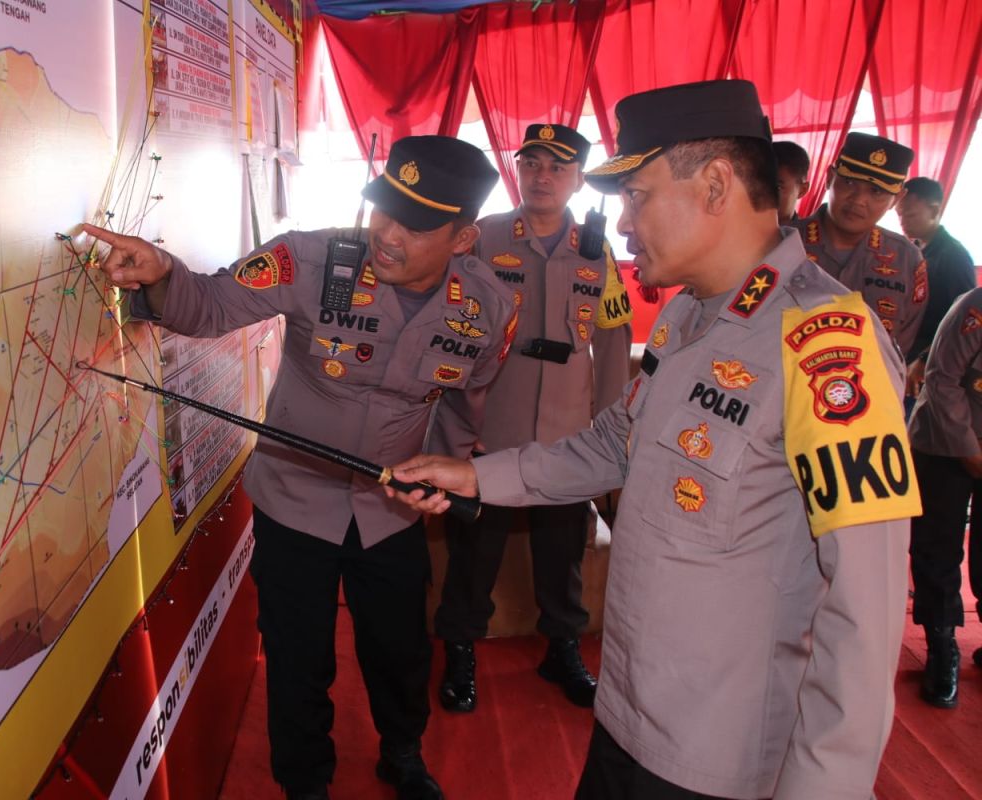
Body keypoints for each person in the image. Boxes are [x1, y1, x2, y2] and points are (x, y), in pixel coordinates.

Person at [386, 80, 920, 799]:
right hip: (628, 718)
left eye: (637, 195)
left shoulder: (829, 342)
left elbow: (866, 610)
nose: (625, 223)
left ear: (715, 185)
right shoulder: (685, 318)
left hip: (720, 760)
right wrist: (476, 477)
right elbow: (614, 445)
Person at [81, 135, 517, 800]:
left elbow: (467, 400)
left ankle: (402, 752)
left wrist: (446, 469)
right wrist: (162, 272)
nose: (389, 235)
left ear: (462, 240)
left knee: (399, 652)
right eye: (384, 210)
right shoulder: (313, 259)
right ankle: (304, 783)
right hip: (294, 504)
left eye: (416, 224)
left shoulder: (488, 308)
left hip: (391, 513)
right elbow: (209, 303)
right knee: (296, 659)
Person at [433, 123, 631, 713]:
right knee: (475, 550)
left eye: (558, 167)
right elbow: (445, 332)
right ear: (517, 170)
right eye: (533, 163)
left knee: (562, 549)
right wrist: (453, 430)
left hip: (570, 434)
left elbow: (615, 346)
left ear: (576, 179)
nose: (543, 176)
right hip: (492, 428)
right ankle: (460, 646)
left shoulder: (598, 251)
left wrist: (610, 436)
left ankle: (561, 645)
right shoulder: (481, 238)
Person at [908, 286, 982, 708]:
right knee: (938, 548)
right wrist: (969, 450)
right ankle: (942, 646)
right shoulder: (974, 308)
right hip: (944, 440)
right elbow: (941, 380)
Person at [791, 132, 927, 359]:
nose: (858, 199)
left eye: (876, 192)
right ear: (829, 178)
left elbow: (900, 347)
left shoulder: (907, 261)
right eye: (849, 182)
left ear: (897, 199)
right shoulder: (781, 242)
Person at [898, 176, 977, 399]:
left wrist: (924, 359)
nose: (903, 221)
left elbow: (963, 322)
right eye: (900, 214)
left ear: (934, 211)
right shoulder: (911, 250)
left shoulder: (953, 256)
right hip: (905, 351)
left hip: (930, 361)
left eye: (910, 215)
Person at [772, 140, 810, 221]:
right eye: (760, 185)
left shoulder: (804, 233)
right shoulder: (741, 228)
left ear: (802, 190)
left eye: (778, 187)